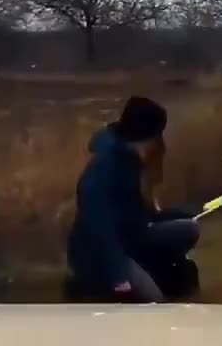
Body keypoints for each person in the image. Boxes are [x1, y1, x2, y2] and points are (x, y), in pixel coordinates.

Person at [67, 96, 201, 303]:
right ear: (146, 135)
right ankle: (91, 289)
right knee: (154, 300)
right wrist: (120, 277)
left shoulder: (130, 160)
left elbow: (137, 212)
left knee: (189, 227)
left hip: (132, 235)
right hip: (101, 255)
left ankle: (156, 267)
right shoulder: (103, 170)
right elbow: (99, 231)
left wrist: (176, 215)